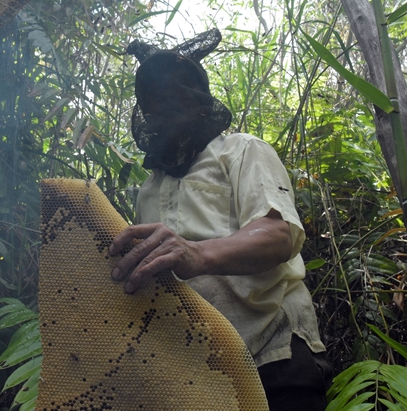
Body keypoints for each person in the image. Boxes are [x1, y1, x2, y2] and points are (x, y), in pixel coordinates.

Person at [108, 46, 332, 410]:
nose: (165, 106)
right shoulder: (149, 189)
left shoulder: (242, 150)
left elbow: (278, 234)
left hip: (274, 356)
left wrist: (197, 253)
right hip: (197, 375)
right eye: (153, 100)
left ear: (199, 99)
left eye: (176, 91)